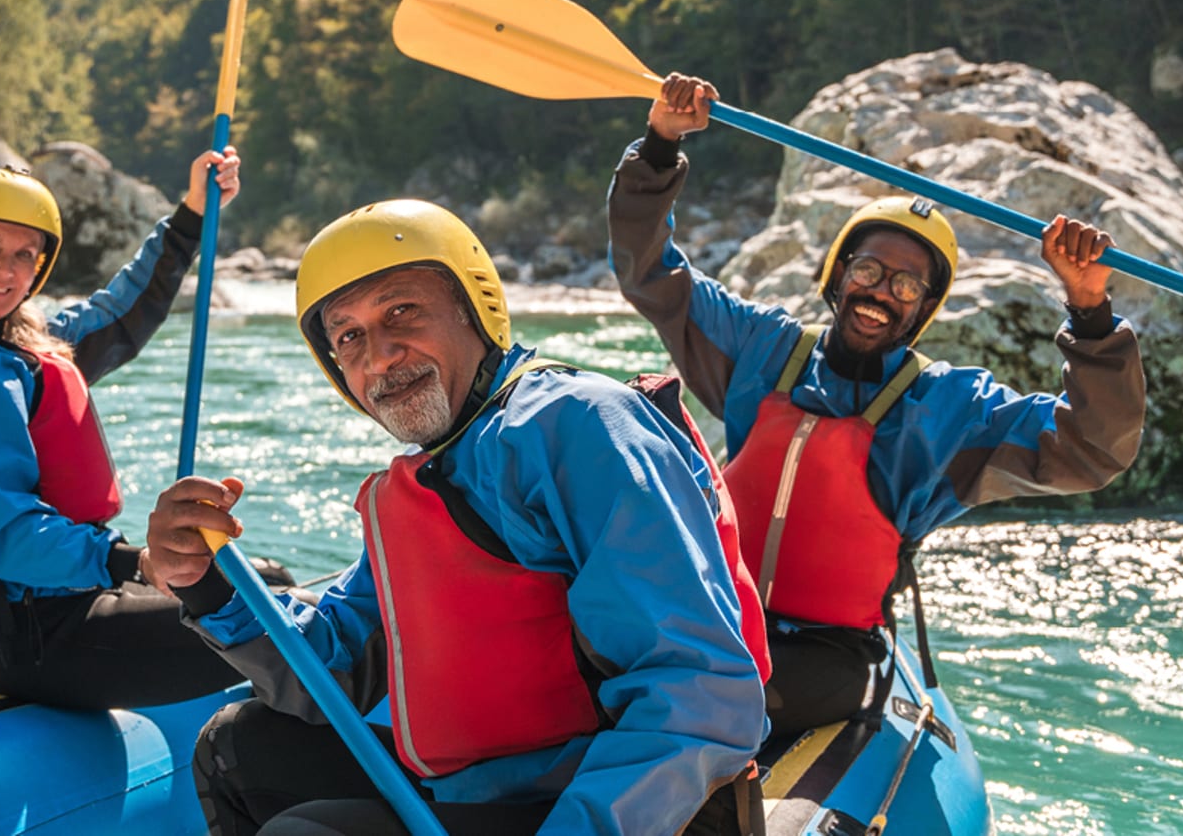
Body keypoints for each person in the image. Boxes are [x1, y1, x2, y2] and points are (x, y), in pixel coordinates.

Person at [144, 199, 771, 836]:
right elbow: (339, 664)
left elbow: (699, 694)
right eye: (349, 337)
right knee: (239, 747)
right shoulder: (439, 468)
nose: (379, 357)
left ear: (475, 309)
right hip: (490, 791)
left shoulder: (576, 426)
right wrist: (207, 584)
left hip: (622, 806)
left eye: (401, 311)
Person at [607, 73, 1147, 738]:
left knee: (715, 689)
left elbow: (1090, 447)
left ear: (923, 309)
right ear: (840, 276)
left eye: (906, 286)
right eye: (868, 271)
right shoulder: (763, 349)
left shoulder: (947, 409)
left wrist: (1090, 313)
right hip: (719, 615)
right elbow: (650, 272)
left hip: (827, 654)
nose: (881, 293)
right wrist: (661, 145)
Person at [0, 148, 261, 710]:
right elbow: (9, 535)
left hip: (71, 602)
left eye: (24, 255)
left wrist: (192, 216)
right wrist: (135, 561)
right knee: (268, 609)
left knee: (262, 581)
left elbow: (120, 314)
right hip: (41, 635)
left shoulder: (14, 346)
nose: (6, 269)